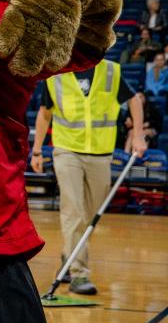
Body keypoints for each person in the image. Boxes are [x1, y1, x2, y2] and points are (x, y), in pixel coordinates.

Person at [32, 59, 144, 294]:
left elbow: (134, 100)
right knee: (73, 211)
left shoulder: (111, 71)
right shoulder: (56, 75)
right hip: (66, 150)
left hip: (101, 154)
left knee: (91, 215)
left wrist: (138, 135)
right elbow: (44, 113)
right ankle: (79, 275)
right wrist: (37, 151)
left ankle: (69, 256)